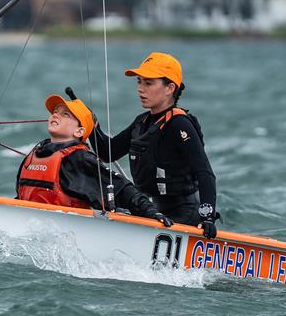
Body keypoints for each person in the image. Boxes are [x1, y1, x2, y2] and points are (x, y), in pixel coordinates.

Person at [89, 53, 218, 238]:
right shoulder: (141, 122)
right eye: (139, 82)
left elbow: (204, 172)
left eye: (148, 83)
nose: (141, 89)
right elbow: (107, 153)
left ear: (170, 88)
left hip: (186, 214)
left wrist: (208, 218)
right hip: (154, 211)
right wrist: (91, 126)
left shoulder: (179, 123)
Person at [16, 94, 173, 227]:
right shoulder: (35, 155)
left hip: (68, 231)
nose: (55, 115)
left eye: (66, 114)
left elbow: (121, 188)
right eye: (55, 112)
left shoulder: (80, 159)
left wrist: (152, 212)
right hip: (32, 226)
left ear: (80, 131)